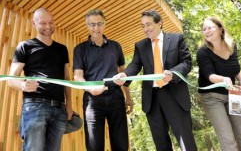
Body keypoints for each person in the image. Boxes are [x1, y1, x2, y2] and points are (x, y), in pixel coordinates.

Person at [114, 9, 197, 151]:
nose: (145, 29)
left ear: (160, 23)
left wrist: (173, 73)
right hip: (152, 100)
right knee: (161, 144)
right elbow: (135, 65)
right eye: (143, 26)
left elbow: (186, 62)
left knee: (186, 142)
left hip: (175, 96)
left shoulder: (177, 39)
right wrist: (125, 75)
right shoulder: (141, 46)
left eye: (148, 24)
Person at [8, 8, 73, 151]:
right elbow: (11, 79)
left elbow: (67, 78)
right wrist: (24, 85)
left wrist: (69, 105)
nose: (48, 27)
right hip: (35, 106)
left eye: (51, 22)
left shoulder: (62, 49)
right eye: (43, 23)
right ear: (34, 23)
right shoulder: (25, 46)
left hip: (59, 109)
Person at [73, 9, 133, 151]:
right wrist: (89, 88)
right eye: (92, 24)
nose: (96, 28)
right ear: (87, 26)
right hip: (92, 100)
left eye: (99, 24)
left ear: (104, 24)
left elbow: (123, 74)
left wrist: (128, 97)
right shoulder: (80, 49)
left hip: (116, 97)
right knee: (94, 145)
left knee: (121, 144)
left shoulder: (115, 46)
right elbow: (77, 76)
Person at [196, 17, 241, 151]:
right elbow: (210, 76)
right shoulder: (202, 52)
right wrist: (223, 79)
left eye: (210, 27)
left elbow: (235, 67)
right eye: (204, 29)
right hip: (211, 97)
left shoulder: (231, 45)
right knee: (228, 140)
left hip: (233, 93)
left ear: (220, 29)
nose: (207, 31)